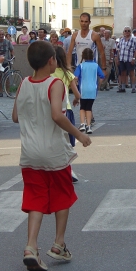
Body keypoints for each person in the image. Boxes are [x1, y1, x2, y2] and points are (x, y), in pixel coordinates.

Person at [12, 40, 91, 271]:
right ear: (51, 61)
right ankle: (58, 243)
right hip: (53, 151)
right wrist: (79, 134)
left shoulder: (24, 83)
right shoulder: (55, 83)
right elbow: (57, 115)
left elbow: (16, 116)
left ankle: (31, 247)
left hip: (29, 152)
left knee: (35, 197)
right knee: (62, 194)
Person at [52, 46, 81, 183]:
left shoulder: (49, 73)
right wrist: (75, 99)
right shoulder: (67, 73)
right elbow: (77, 94)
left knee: (55, 142)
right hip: (67, 110)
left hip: (53, 110)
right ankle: (69, 169)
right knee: (68, 143)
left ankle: (57, 170)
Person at [74, 48, 104, 134]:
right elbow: (102, 76)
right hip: (92, 89)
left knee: (82, 107)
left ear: (83, 56)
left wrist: (76, 84)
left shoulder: (81, 66)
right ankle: (89, 126)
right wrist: (98, 85)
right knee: (89, 107)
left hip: (83, 89)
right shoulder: (96, 65)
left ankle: (82, 123)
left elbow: (75, 77)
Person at [116, 26, 136, 93]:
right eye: (125, 31)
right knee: (123, 73)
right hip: (122, 59)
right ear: (123, 32)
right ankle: (123, 88)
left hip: (129, 59)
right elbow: (118, 50)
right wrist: (117, 58)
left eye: (128, 31)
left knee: (132, 73)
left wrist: (134, 58)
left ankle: (133, 88)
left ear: (130, 32)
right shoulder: (121, 40)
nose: (127, 32)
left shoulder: (133, 39)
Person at [0, 29, 14, 97]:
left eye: (2, 34)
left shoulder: (7, 42)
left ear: (4, 35)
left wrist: (12, 57)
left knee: (7, 77)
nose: (1, 36)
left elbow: (12, 50)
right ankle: (1, 91)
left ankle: (8, 91)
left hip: (6, 62)